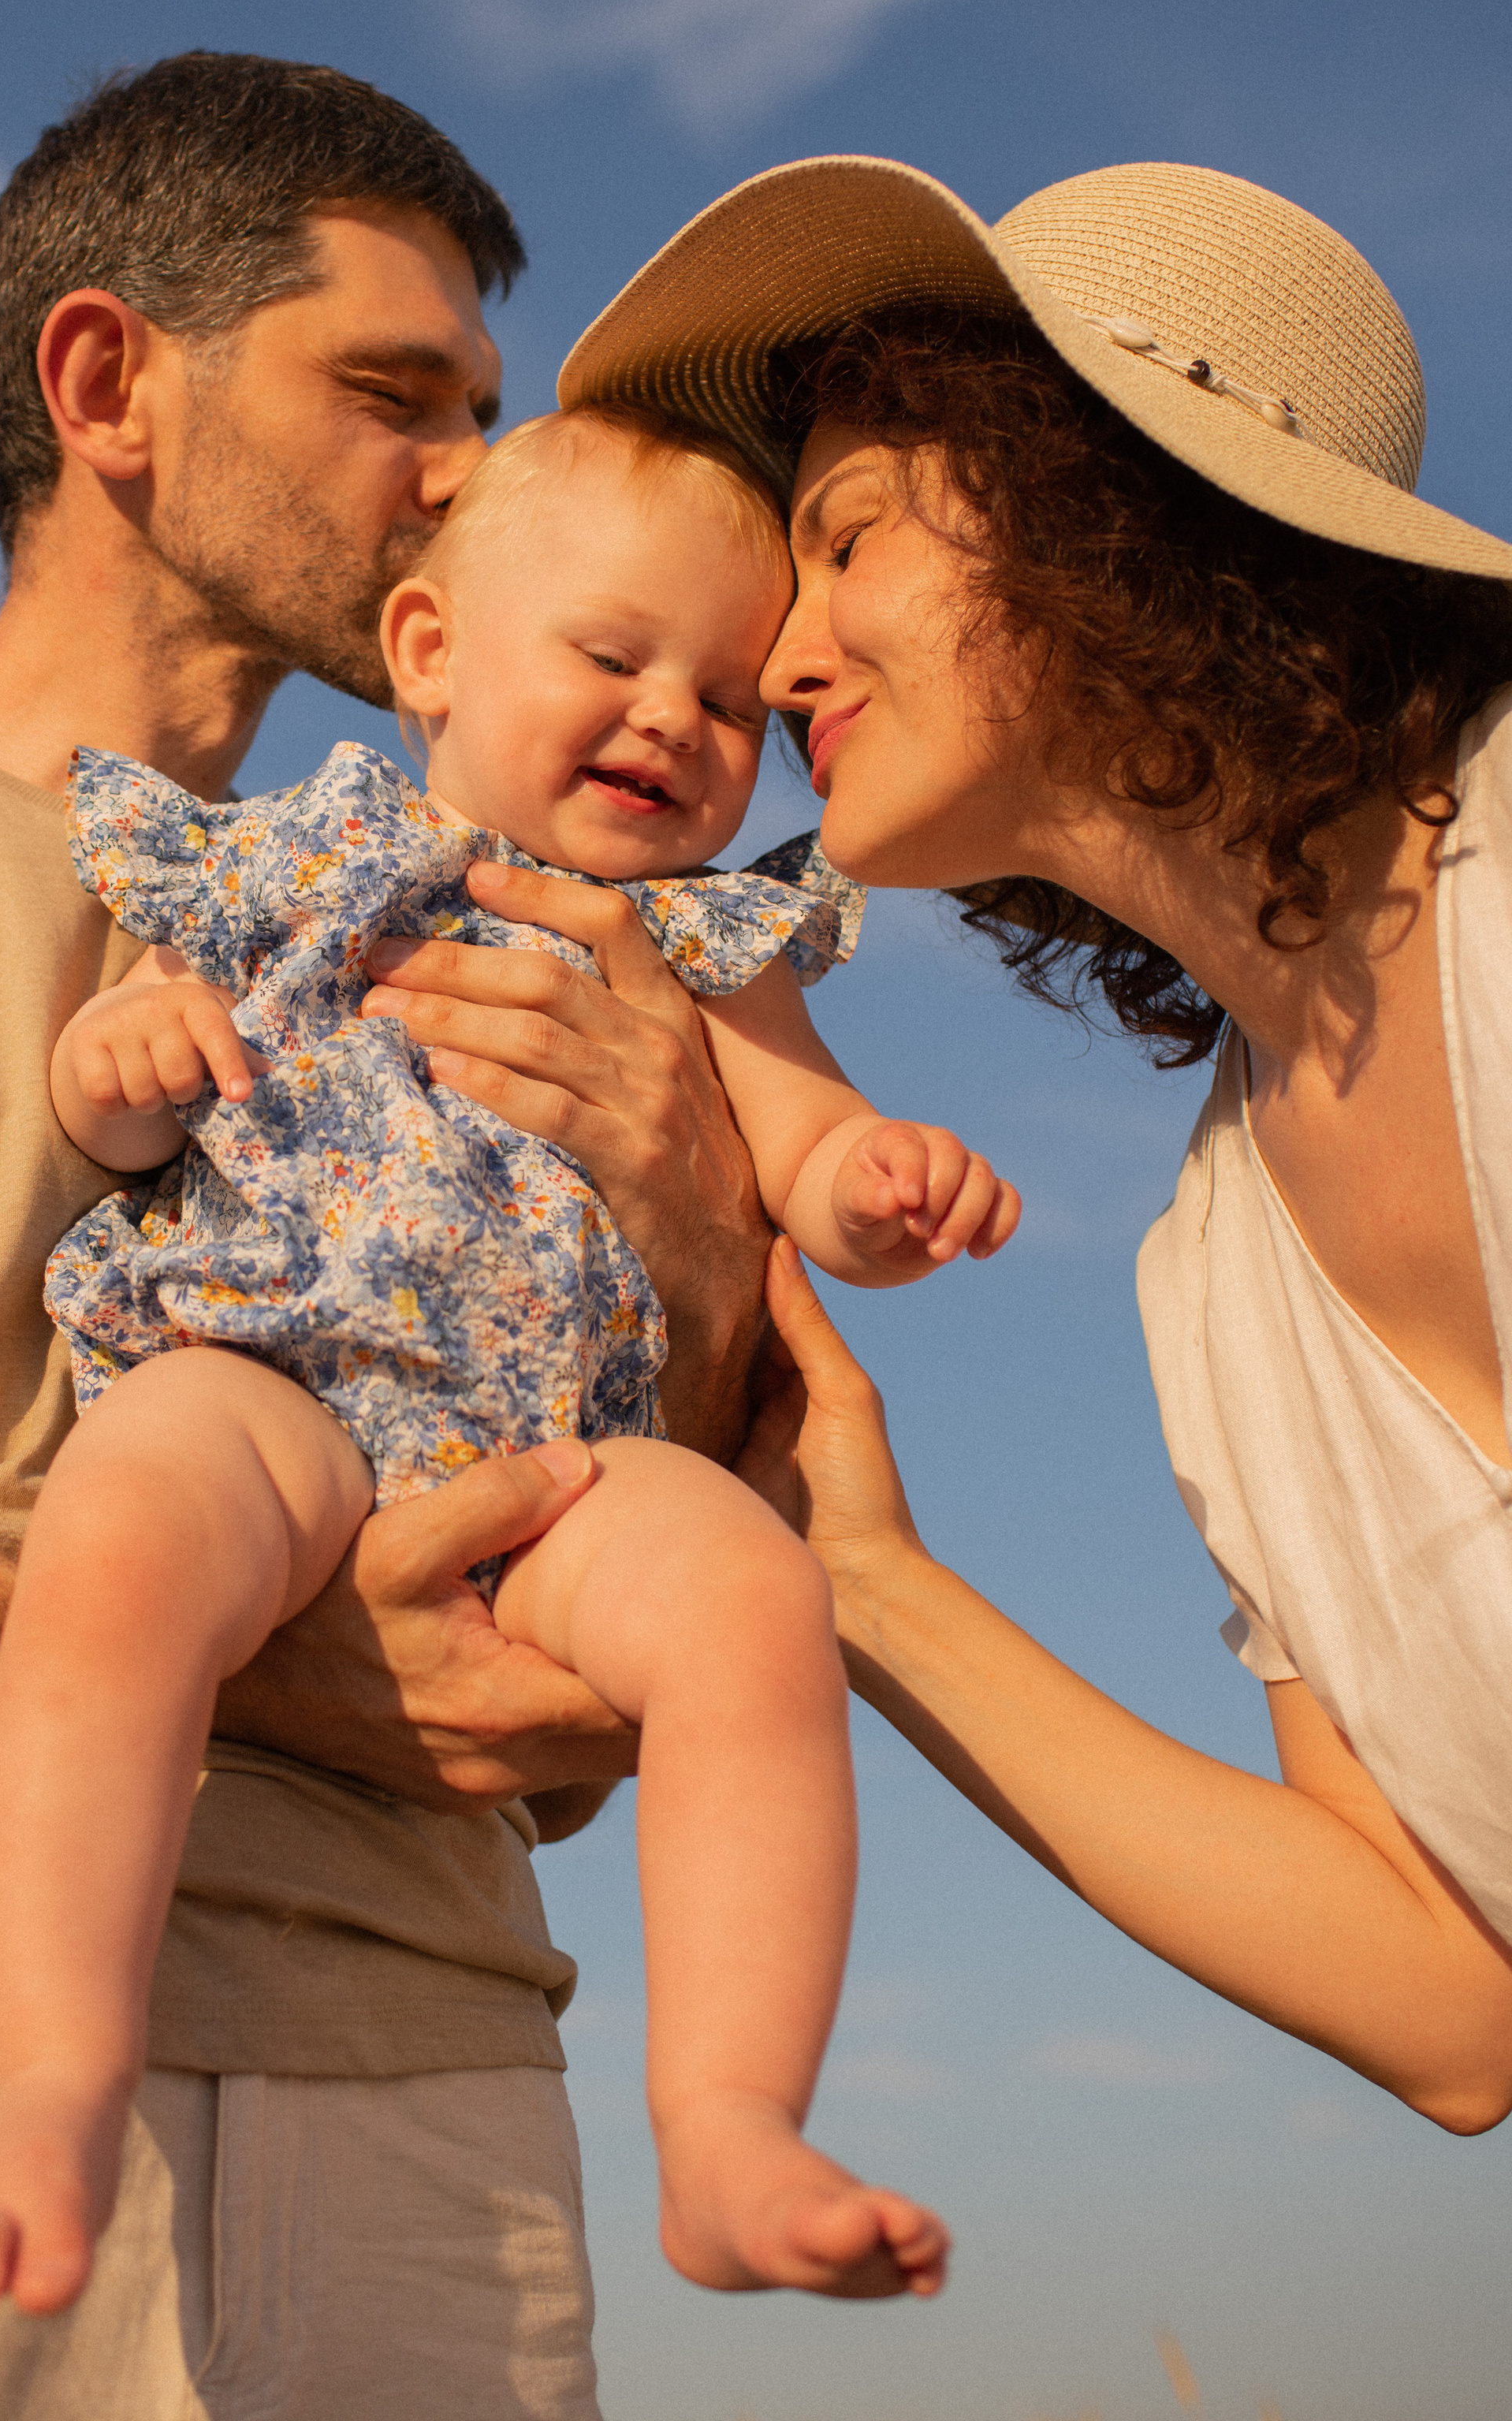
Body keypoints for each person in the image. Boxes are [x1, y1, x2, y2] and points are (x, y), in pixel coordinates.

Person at [0, 54, 787, 2421]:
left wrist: (702, 1241)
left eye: (491, 411)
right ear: (107, 386)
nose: (472, 473)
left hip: (447, 2124)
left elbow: (585, 1697)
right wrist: (207, 1647)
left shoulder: (562, 935)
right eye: (398, 391)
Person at [0, 402, 1019, 2335]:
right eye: (611, 658)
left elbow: (801, 1155)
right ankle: (54, 2088)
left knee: (757, 1602)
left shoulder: (705, 946)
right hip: (272, 1368)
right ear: (429, 658)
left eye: (727, 699)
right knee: (117, 1554)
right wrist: (124, 1069)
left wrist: (871, 1187)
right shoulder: (292, 856)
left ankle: (731, 2125)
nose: (675, 718)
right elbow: (125, 1079)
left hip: (552, 1447)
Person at [541, 149, 1512, 2134]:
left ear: (1106, 498)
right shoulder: (1216, 1275)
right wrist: (862, 1581)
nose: (777, 659)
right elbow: (1445, 1996)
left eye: (847, 536)